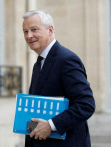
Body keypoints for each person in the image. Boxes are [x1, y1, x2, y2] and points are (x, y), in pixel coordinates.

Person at [22, 10, 95, 147]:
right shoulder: (39, 63)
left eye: (34, 29)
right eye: (25, 31)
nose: (29, 36)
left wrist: (51, 125)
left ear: (50, 30)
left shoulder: (67, 59)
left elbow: (86, 104)